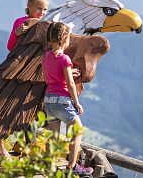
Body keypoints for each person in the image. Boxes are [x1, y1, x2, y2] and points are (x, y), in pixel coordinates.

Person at [42, 22, 93, 176]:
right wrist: (77, 103)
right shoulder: (65, 59)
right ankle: (72, 166)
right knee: (77, 131)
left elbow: (47, 78)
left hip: (49, 100)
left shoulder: (46, 56)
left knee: (53, 135)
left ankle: (49, 166)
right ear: (64, 38)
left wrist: (67, 73)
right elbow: (70, 83)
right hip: (62, 100)